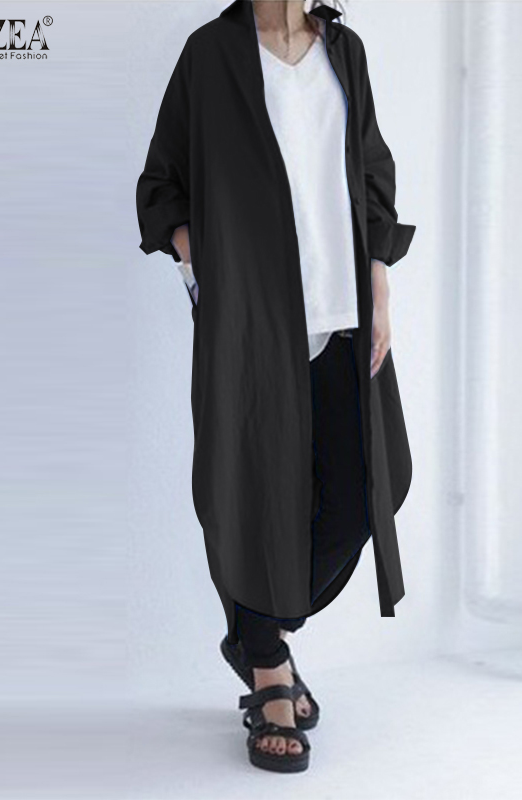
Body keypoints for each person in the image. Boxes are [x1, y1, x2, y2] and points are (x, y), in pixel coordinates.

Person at [136, 0, 415, 773]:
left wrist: (380, 283)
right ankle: (268, 671)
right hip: (251, 318)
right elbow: (162, 182)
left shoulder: (344, 52)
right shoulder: (211, 55)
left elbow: (371, 172)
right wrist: (200, 257)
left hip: (343, 309)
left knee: (371, 486)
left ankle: (260, 628)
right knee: (252, 493)